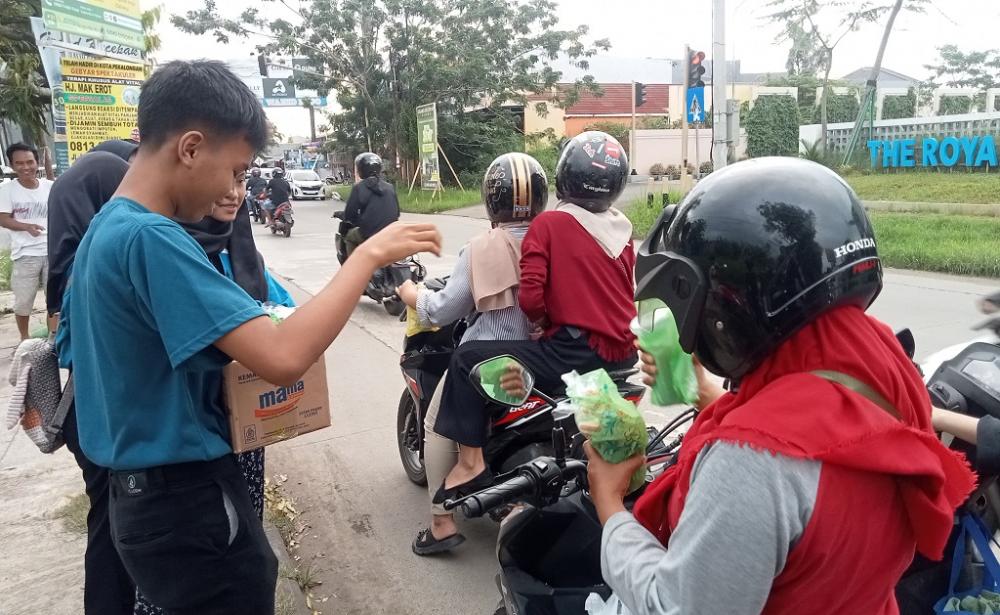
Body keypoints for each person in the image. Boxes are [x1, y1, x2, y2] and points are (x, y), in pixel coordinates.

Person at [57, 59, 440, 614]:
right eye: (236, 169)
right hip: (183, 499)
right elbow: (282, 356)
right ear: (190, 148)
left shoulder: (107, 228)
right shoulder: (150, 238)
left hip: (140, 494)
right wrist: (370, 254)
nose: (234, 187)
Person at [588, 157, 975, 614]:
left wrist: (609, 504)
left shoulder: (752, 462)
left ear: (734, 306)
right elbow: (815, 426)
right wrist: (710, 397)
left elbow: (678, 606)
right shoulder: (885, 368)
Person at [431, 131, 638, 501]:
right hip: (623, 355)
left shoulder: (550, 225)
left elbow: (530, 296)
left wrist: (540, 322)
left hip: (573, 351)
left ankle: (470, 464)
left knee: (465, 359)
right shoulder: (622, 231)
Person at [134, 174, 296, 615]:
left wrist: (274, 321)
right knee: (193, 574)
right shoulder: (168, 250)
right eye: (223, 176)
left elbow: (283, 311)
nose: (233, 192)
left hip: (243, 423)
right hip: (189, 439)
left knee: (243, 538)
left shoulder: (242, 249)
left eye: (241, 179)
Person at [395, 152, 546, 555]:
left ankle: (442, 523)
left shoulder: (480, 248)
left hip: (488, 360)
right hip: (545, 358)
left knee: (436, 425)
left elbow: (444, 309)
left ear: (490, 200)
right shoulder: (553, 238)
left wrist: (413, 294)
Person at [45, 149, 134, 615]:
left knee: (108, 519)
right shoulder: (106, 268)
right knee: (114, 526)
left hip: (88, 413)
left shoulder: (76, 270)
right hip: (105, 415)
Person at [0, 143, 56, 339]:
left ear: (37, 162)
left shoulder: (50, 186)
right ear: (12, 165)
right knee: (24, 302)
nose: (26, 167)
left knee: (54, 300)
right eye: (20, 163)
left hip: (52, 251)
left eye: (30, 162)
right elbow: (2, 218)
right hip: (25, 254)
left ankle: (52, 338)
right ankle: (24, 339)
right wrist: (26, 227)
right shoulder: (7, 189)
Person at [342, 152, 400, 257]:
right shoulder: (389, 187)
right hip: (390, 234)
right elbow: (397, 213)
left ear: (361, 169)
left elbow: (350, 214)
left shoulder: (358, 188)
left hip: (368, 234)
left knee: (349, 237)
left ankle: (353, 266)